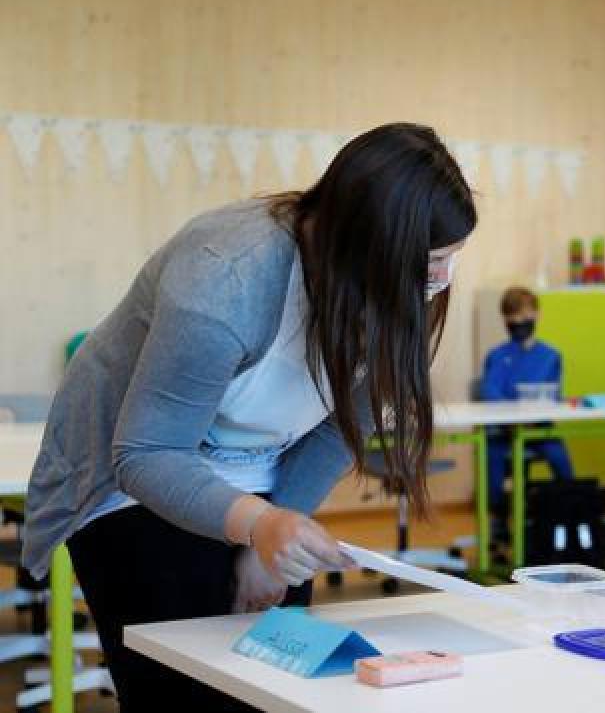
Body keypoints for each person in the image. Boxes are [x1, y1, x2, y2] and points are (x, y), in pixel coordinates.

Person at [22, 122, 477, 711]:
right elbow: (147, 455)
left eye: (450, 260)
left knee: (276, 684)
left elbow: (342, 425)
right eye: (432, 261)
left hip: (263, 477)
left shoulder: (398, 288)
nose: (440, 281)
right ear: (371, 244)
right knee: (187, 682)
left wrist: (275, 532)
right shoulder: (227, 278)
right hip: (128, 480)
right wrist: (259, 527)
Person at [480, 287, 574, 522]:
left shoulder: (551, 356)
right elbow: (490, 392)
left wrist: (533, 418)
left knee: (560, 458)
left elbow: (552, 394)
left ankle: (567, 516)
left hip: (539, 430)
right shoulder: (498, 355)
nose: (518, 323)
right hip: (504, 431)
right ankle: (498, 518)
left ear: (537, 315)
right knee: (492, 456)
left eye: (523, 317)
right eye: (512, 318)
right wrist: (512, 419)